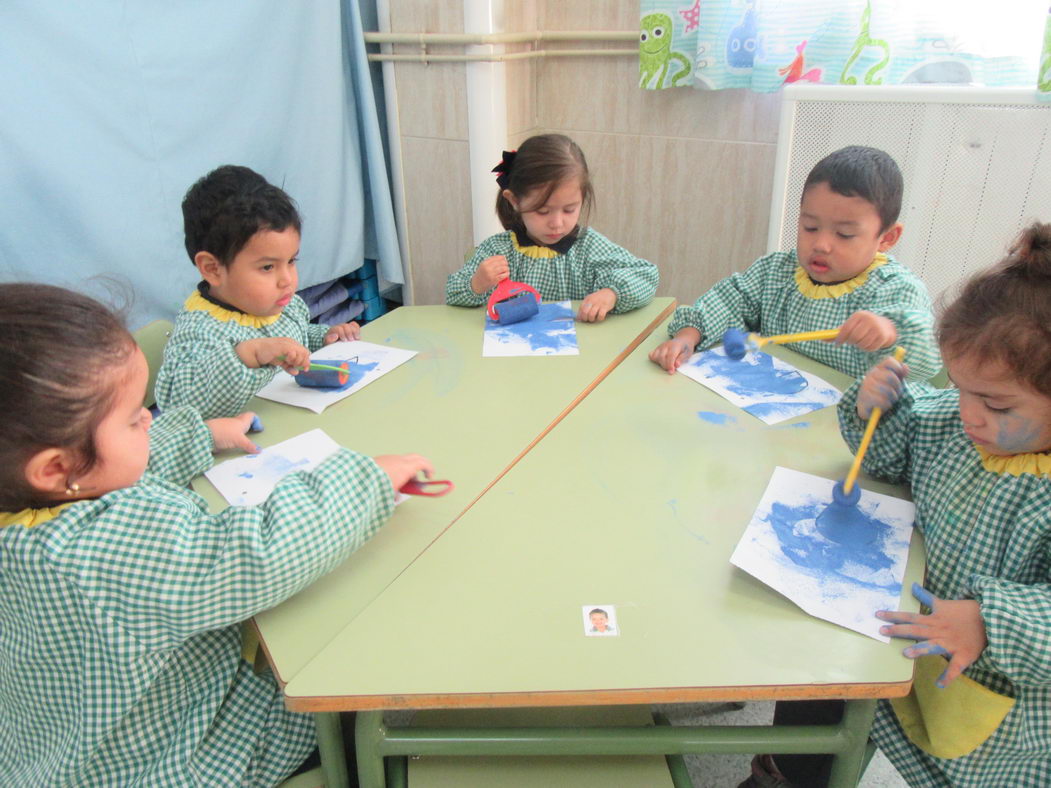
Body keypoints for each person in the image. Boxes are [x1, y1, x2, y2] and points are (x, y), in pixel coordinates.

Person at [0, 284, 433, 786]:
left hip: (51, 741)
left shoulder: (36, 506)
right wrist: (363, 481)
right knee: (362, 663)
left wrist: (197, 434)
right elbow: (253, 555)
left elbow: (116, 470)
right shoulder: (97, 552)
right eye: (131, 418)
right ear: (55, 469)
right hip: (163, 751)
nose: (148, 417)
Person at [744, 222, 1051, 787]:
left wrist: (990, 620)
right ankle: (783, 774)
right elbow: (888, 456)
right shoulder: (952, 425)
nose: (969, 416)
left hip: (996, 694)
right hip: (889, 631)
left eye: (997, 406)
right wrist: (875, 410)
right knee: (825, 692)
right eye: (960, 389)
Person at [650, 146, 941, 382]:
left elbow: (924, 364)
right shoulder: (778, 271)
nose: (822, 244)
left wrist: (890, 334)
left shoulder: (896, 290)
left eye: (845, 234)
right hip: (767, 411)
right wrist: (688, 336)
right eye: (810, 227)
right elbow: (728, 301)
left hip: (849, 427)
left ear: (887, 238)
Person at [155, 164, 362, 418]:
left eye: (291, 261)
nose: (287, 279)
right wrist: (246, 355)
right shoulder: (199, 332)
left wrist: (324, 337)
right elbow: (179, 404)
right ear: (212, 269)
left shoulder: (273, 303)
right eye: (267, 267)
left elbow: (290, 339)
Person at [445, 133, 659, 323]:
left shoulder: (589, 247)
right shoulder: (499, 250)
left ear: (582, 199)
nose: (557, 223)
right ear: (514, 201)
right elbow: (453, 294)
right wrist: (477, 283)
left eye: (569, 210)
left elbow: (647, 275)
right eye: (543, 211)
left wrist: (611, 294)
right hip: (513, 358)